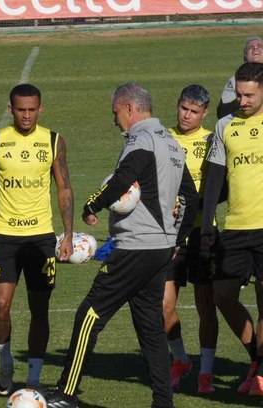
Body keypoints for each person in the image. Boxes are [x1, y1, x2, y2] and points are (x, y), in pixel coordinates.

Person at [46, 82, 198, 408]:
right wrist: (176, 239)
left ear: (130, 109)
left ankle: (66, 394)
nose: (115, 121)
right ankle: (163, 402)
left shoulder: (140, 139)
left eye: (116, 113)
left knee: (89, 315)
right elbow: (192, 197)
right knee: (150, 328)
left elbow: (123, 179)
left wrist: (92, 206)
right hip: (159, 250)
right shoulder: (171, 143)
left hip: (135, 248)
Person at [202, 62, 263, 397]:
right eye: (239, 94)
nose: (241, 101)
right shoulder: (225, 124)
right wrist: (206, 225)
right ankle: (259, 358)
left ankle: (259, 375)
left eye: (248, 95)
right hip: (236, 227)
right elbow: (215, 176)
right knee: (223, 296)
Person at [0, 83, 74, 394]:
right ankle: (5, 361)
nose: (27, 115)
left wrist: (68, 234)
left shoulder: (53, 141)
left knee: (40, 308)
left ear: (40, 108)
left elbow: (64, 188)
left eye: (32, 109)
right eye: (21, 110)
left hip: (41, 238)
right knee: (1, 303)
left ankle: (33, 378)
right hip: (5, 236)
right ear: (10, 109)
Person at [165, 84, 218, 393]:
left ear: (204, 113)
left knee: (205, 305)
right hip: (169, 235)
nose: (187, 115)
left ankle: (206, 372)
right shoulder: (163, 138)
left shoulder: (213, 140)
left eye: (194, 111)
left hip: (201, 233)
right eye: (183, 108)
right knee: (164, 305)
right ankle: (181, 358)